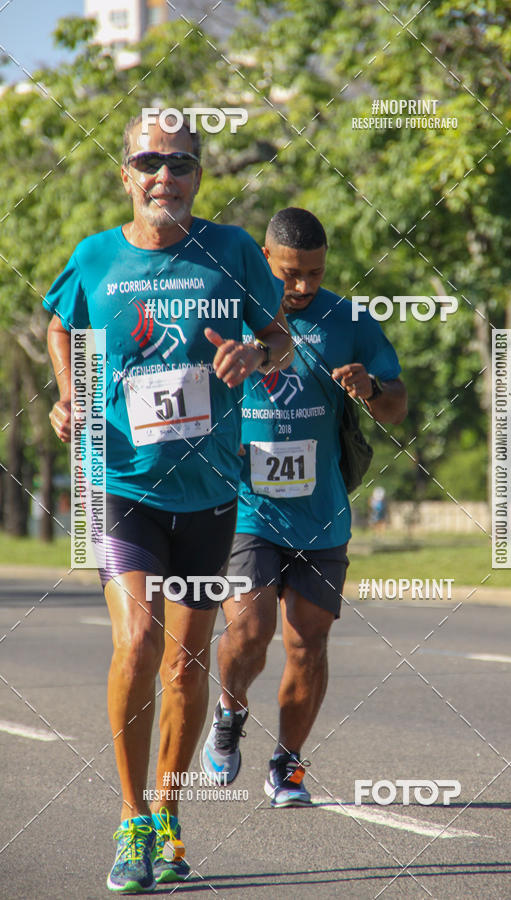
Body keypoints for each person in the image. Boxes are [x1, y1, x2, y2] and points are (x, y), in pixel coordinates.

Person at [44, 112, 292, 892]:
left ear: (198, 176)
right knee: (139, 641)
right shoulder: (95, 256)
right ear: (126, 174)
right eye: (150, 161)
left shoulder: (233, 251)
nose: (165, 176)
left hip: (210, 493)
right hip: (121, 483)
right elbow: (59, 325)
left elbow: (281, 337)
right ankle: (131, 821)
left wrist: (257, 352)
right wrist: (68, 394)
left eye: (180, 163)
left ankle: (169, 816)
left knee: (186, 669)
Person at [202, 207, 407, 806]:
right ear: (264, 258)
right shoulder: (231, 314)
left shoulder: (350, 319)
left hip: (322, 513)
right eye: (290, 272)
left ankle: (287, 765)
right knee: (250, 630)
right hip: (248, 506)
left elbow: (397, 405)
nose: (302, 285)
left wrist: (372, 389)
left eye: (314, 273)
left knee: (307, 644)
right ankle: (229, 708)